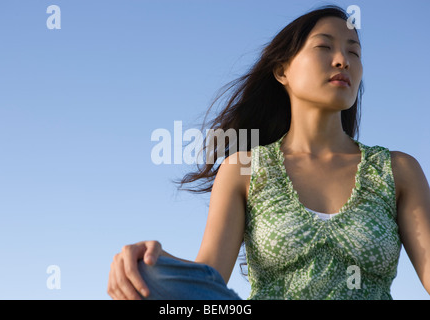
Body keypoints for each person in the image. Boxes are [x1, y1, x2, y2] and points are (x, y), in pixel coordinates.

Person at [107, 5, 430, 300]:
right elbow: (208, 282)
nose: (342, 60)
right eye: (324, 46)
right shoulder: (243, 169)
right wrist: (153, 261)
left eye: (354, 52)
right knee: (149, 272)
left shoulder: (397, 169)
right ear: (282, 71)